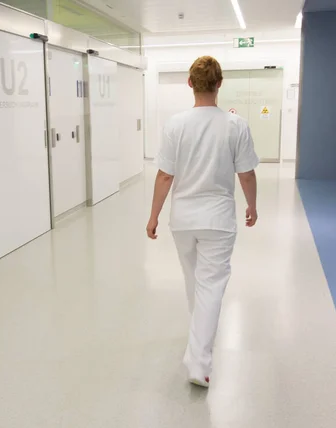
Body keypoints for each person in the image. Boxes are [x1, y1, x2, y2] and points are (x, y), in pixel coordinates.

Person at [146, 56, 259, 388]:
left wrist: (153, 216)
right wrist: (252, 205)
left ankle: (197, 346)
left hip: (182, 219)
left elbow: (165, 175)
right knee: (210, 286)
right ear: (220, 84)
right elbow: (247, 173)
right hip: (219, 220)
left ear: (190, 83)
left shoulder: (175, 124)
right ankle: (199, 361)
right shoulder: (236, 125)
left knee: (194, 282)